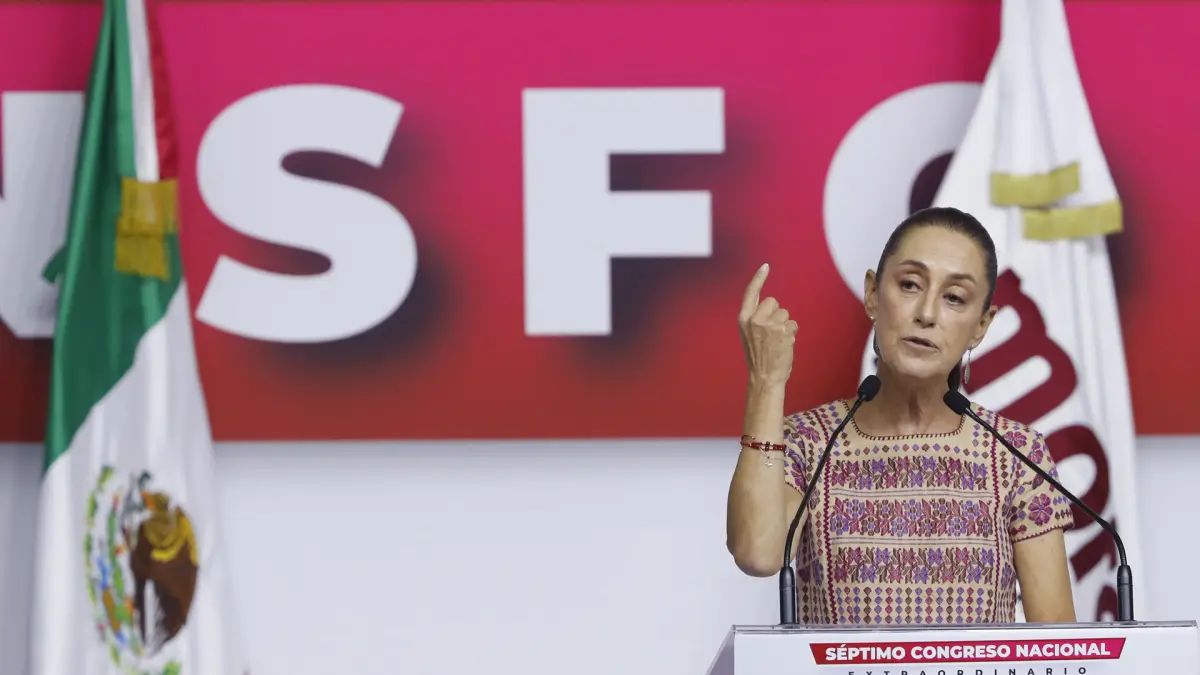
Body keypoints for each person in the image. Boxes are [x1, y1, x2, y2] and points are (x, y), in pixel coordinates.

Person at [726, 207, 1076, 625]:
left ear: (981, 326)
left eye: (954, 298)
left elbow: (1058, 645)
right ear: (873, 294)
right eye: (910, 284)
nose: (927, 313)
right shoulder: (807, 442)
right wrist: (766, 381)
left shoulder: (1017, 455)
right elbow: (757, 553)